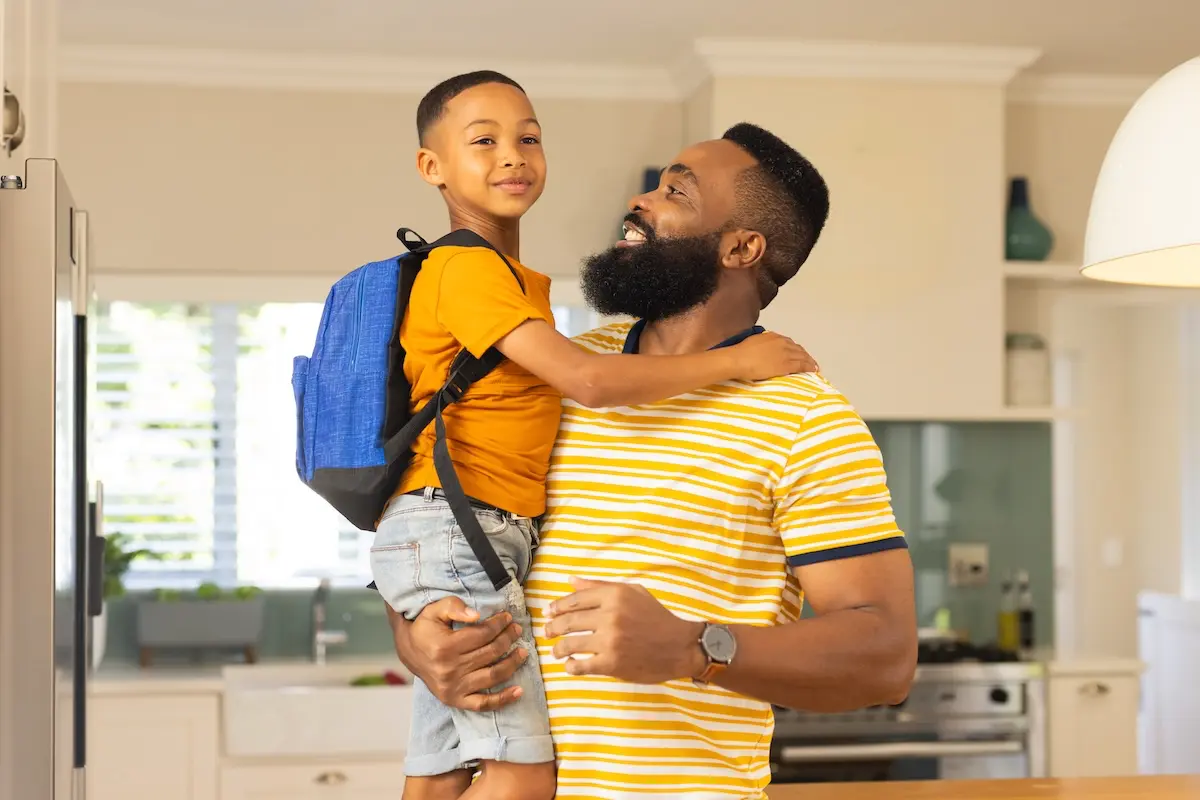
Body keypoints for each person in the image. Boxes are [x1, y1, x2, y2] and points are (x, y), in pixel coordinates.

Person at [386, 121, 918, 800]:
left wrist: (691, 646)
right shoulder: (561, 366)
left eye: (676, 192)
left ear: (740, 247)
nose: (642, 200)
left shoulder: (806, 419)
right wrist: (414, 635)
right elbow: (440, 520)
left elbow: (886, 658)